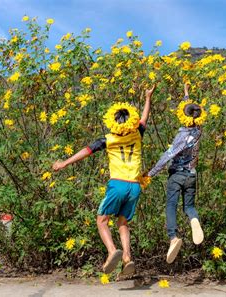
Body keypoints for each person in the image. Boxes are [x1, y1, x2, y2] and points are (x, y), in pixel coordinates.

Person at [52, 85, 156, 276]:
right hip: (135, 186)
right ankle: (127, 258)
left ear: (113, 122)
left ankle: (111, 252)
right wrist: (148, 98)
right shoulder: (137, 134)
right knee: (123, 223)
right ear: (130, 121)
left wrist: (64, 163)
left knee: (102, 221)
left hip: (117, 184)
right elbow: (144, 118)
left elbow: (86, 151)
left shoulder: (107, 139)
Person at [146, 83, 206, 264]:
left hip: (177, 175)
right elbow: (191, 110)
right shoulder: (198, 130)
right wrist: (186, 94)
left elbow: (168, 156)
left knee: (171, 205)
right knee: (189, 207)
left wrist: (150, 173)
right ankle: (194, 219)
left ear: (183, 117)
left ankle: (173, 237)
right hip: (192, 175)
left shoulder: (182, 137)